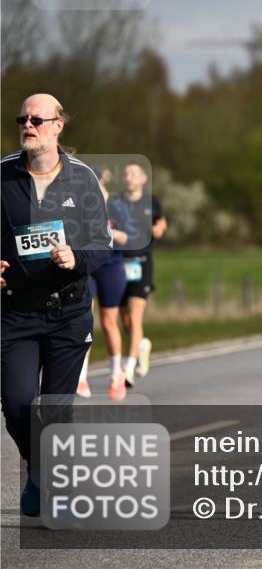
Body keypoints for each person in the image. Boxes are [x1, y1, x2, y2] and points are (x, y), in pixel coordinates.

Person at [1, 94, 112, 516]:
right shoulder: (3, 175)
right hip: (15, 311)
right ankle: (39, 469)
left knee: (55, 408)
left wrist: (75, 258)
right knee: (15, 403)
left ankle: (53, 490)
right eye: (22, 119)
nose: (28, 125)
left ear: (58, 125)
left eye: (37, 119)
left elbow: (101, 244)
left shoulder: (83, 180)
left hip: (68, 310)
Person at [77, 167, 134, 401]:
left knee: (109, 322)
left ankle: (116, 374)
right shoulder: (82, 205)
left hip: (111, 267)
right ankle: (80, 376)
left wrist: (108, 231)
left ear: (103, 182)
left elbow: (127, 237)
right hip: (89, 266)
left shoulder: (117, 207)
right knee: (84, 319)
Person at [110, 162, 166, 386]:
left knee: (134, 316)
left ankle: (129, 369)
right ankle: (141, 344)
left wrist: (159, 229)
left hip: (141, 263)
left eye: (134, 173)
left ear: (143, 178)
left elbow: (161, 221)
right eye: (125, 173)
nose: (129, 177)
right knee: (124, 318)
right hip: (118, 263)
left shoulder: (151, 201)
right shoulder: (115, 202)